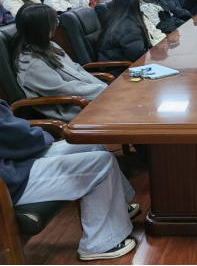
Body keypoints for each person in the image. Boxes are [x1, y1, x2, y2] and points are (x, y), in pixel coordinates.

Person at [0, 100, 139, 261]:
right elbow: (17, 137)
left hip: (10, 159)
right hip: (8, 180)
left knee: (89, 145)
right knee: (102, 164)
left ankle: (117, 208)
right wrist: (41, 136)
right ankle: (100, 244)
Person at [13, 3, 107, 122]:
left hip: (88, 97)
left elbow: (76, 70)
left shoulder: (50, 45)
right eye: (53, 22)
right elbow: (63, 90)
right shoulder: (31, 63)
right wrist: (103, 91)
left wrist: (104, 88)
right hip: (74, 108)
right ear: (41, 28)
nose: (55, 26)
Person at [98, 0, 153, 64]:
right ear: (133, 5)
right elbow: (139, 56)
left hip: (126, 65)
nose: (140, 4)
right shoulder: (127, 28)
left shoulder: (115, 18)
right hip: (121, 69)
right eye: (139, 2)